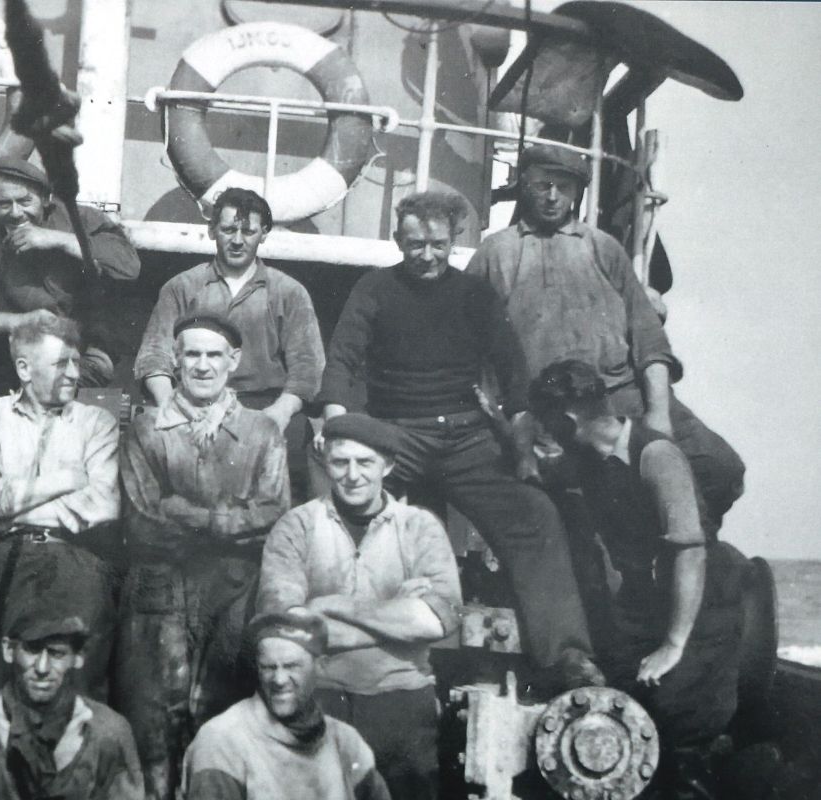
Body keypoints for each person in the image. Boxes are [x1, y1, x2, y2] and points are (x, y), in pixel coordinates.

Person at [317, 190, 604, 690]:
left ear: (455, 241)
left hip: (468, 438)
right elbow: (341, 361)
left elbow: (515, 379)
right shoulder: (374, 289)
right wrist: (339, 430)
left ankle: (567, 655)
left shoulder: (476, 296)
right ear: (397, 240)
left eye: (437, 245)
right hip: (397, 435)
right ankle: (327, 641)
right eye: (413, 245)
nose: (426, 256)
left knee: (535, 515)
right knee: (336, 509)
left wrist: (522, 452)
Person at [466, 143, 744, 525]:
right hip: (548, 411)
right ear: (524, 187)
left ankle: (681, 555)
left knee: (719, 469)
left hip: (621, 397)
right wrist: (510, 420)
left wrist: (659, 415)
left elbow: (649, 341)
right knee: (577, 502)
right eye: (542, 185)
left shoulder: (603, 248)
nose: (551, 196)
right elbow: (469, 345)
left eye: (563, 187)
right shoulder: (495, 252)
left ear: (577, 193)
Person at [529, 359, 747, 799]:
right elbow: (541, 472)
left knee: (676, 713)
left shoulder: (656, 456)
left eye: (548, 424)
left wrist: (673, 644)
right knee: (616, 693)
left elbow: (690, 552)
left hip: (702, 602)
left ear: (569, 420)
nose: (547, 435)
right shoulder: (592, 456)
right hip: (650, 598)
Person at [119, 314, 291, 799]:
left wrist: (191, 515)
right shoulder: (147, 430)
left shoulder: (261, 433)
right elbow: (141, 524)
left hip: (232, 597)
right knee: (153, 732)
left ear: (233, 361)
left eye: (214, 355)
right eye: (191, 354)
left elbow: (275, 515)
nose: (202, 365)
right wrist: (234, 524)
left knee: (220, 725)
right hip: (158, 598)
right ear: (175, 360)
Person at [259, 413, 460, 800]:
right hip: (319, 702)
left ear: (388, 465)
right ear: (326, 463)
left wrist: (329, 605)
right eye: (341, 462)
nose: (353, 475)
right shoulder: (296, 526)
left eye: (365, 463)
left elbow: (439, 619)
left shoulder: (420, 527)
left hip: (402, 704)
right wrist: (399, 611)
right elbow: (285, 629)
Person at [0, 314, 120, 702]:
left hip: (74, 558)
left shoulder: (97, 423)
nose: (75, 374)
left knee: (78, 683)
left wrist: (10, 506)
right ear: (24, 369)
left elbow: (102, 505)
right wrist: (64, 481)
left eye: (77, 363)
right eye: (62, 363)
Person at [134, 187, 326, 500]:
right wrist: (172, 406)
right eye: (228, 229)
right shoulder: (182, 287)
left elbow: (308, 369)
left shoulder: (289, 292)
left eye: (248, 231)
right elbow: (154, 355)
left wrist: (278, 415)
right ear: (212, 231)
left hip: (263, 406)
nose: (237, 240)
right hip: (193, 405)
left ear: (263, 234)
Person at [0, 155, 141, 399]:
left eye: (25, 201)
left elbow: (128, 266)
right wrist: (19, 322)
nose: (16, 213)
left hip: (84, 351)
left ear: (46, 199)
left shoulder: (80, 219)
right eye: (5, 204)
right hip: (22, 351)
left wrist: (57, 240)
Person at [0, 604, 143, 800]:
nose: (42, 668)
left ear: (78, 657)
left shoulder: (109, 733)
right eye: (32, 649)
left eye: (56, 653)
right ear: (9, 650)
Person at [182, 611, 392, 800]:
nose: (279, 679)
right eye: (268, 667)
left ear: (320, 667)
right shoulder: (221, 741)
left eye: (292, 666)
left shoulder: (346, 742)